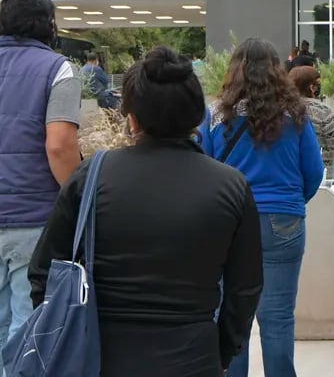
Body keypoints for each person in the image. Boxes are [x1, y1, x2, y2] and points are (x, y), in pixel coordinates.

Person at [30, 46, 263, 376]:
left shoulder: (92, 177)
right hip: (193, 356)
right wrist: (221, 350)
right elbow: (245, 289)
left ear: (131, 117)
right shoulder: (231, 186)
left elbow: (43, 271)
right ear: (197, 116)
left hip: (103, 358)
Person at [198, 38, 324, 377]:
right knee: (278, 316)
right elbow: (313, 172)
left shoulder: (214, 115)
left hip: (229, 222)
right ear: (277, 71)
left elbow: (202, 169)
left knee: (230, 313)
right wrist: (293, 202)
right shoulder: (295, 114)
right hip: (284, 219)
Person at [0, 0, 82, 349]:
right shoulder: (57, 69)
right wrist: (76, 200)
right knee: (25, 330)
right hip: (33, 219)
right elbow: (59, 145)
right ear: (49, 25)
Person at [289, 65, 334, 162]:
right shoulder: (323, 110)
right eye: (318, 84)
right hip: (321, 166)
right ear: (312, 87)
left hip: (290, 166)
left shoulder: (283, 109)